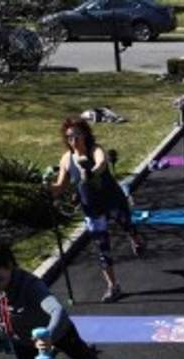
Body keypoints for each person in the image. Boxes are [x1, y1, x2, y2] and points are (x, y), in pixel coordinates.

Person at [49, 117, 144, 303]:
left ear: (85, 135)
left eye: (77, 135)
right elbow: (60, 186)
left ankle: (135, 238)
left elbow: (101, 163)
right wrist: (46, 188)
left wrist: (91, 171)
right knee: (102, 247)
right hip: (91, 208)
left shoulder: (95, 150)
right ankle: (113, 286)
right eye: (69, 137)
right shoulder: (66, 159)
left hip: (112, 199)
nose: (73, 140)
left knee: (126, 224)